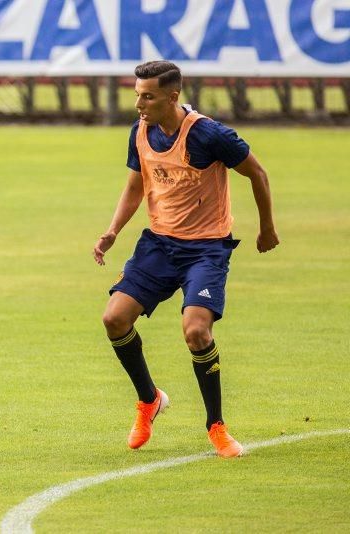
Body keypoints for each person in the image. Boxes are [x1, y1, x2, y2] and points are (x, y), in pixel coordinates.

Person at [92, 60, 279, 458]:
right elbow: (136, 183)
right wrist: (113, 231)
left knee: (196, 331)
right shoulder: (140, 131)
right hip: (159, 244)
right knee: (114, 318)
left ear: (172, 96)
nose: (139, 104)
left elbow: (258, 173)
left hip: (206, 248)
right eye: (137, 95)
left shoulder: (209, 135)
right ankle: (149, 399)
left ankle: (216, 427)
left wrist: (267, 228)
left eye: (148, 96)